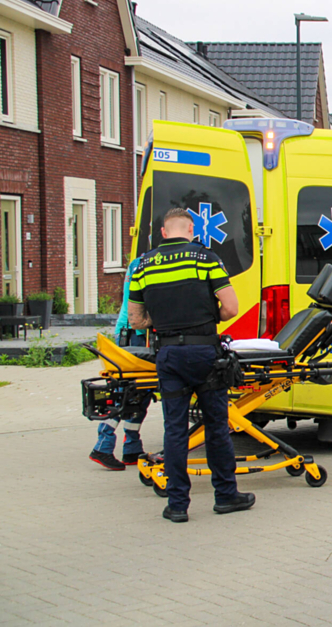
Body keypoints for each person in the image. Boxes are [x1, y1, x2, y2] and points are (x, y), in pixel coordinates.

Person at [128, 207, 254, 523]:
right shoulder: (205, 258)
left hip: (168, 355)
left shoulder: (143, 265)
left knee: (174, 430)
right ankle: (226, 496)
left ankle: (177, 505)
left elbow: (137, 319)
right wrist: (207, 317)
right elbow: (231, 307)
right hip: (204, 352)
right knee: (216, 425)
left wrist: (167, 323)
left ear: (163, 232)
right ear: (191, 230)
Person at [89, 255, 148, 471]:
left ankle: (132, 447)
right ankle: (103, 446)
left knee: (141, 392)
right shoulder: (145, 264)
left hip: (134, 333)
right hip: (134, 334)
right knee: (126, 393)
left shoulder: (141, 261)